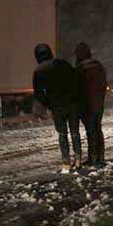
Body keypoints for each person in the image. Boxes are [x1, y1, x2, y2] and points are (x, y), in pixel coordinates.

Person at [33, 43, 82, 174]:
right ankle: (78, 159)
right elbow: (75, 79)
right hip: (72, 103)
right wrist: (76, 97)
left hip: (57, 106)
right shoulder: (62, 63)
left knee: (62, 134)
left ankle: (66, 162)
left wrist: (48, 104)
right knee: (75, 132)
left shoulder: (38, 70)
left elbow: (38, 93)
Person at [75, 42, 107, 167]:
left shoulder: (80, 68)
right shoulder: (98, 65)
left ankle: (92, 158)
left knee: (90, 131)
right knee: (98, 129)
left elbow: (77, 88)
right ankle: (100, 157)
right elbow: (104, 84)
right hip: (99, 103)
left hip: (86, 104)